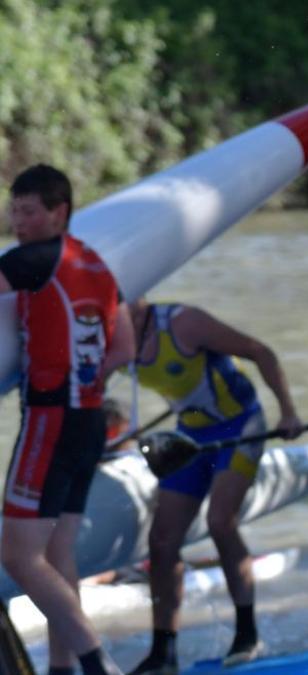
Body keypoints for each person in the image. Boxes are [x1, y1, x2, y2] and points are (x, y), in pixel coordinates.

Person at [1, 164, 134, 675]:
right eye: (14, 212)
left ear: (60, 212)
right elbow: (122, 347)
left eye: (30, 212)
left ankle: (95, 662)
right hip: (88, 419)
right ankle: (62, 669)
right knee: (58, 553)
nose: (20, 223)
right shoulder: (98, 266)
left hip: (49, 421)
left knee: (17, 556)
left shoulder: (35, 259)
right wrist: (85, 376)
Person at [127, 298, 302, 674]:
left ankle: (247, 634)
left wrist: (287, 411)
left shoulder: (184, 323)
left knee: (220, 520)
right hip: (189, 436)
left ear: (139, 301)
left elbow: (260, 351)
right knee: (161, 540)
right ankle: (163, 652)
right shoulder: (110, 337)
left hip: (240, 426)